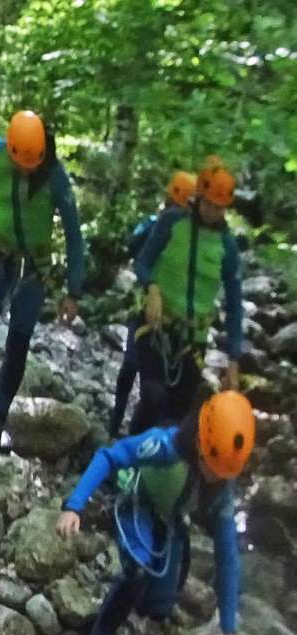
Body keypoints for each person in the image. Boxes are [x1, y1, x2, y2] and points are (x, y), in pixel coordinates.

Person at [59, 390, 252, 635]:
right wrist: (74, 506)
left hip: (171, 519)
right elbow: (110, 456)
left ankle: (131, 602)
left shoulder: (222, 486)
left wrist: (229, 629)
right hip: (140, 503)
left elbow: (227, 556)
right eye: (210, 468)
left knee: (158, 607)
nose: (213, 478)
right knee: (138, 571)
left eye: (220, 474)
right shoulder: (164, 447)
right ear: (198, 441)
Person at [0, 110, 87, 451]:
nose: (26, 168)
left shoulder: (54, 174)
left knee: (18, 343)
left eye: (32, 162)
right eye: (20, 161)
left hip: (32, 268)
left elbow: (73, 233)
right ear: (10, 148)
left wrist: (74, 290)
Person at [123, 157, 245, 433]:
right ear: (198, 196)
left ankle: (155, 470)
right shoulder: (171, 222)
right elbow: (142, 262)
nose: (213, 212)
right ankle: (127, 459)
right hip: (156, 326)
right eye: (209, 204)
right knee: (153, 396)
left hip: (193, 340)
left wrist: (233, 359)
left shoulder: (227, 247)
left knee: (175, 415)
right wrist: (152, 288)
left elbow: (235, 305)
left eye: (220, 207)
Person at [107, 171, 198, 437]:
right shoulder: (161, 225)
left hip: (153, 313)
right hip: (148, 311)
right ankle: (123, 425)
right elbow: (134, 248)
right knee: (140, 371)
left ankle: (124, 426)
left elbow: (132, 246)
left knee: (138, 371)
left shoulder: (173, 230)